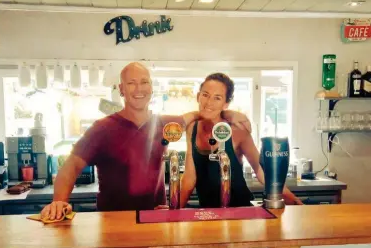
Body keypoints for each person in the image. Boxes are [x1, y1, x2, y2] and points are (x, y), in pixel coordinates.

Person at [41, 62, 252, 220]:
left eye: (144, 82)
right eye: (131, 83)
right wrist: (59, 202)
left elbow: (201, 113)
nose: (138, 89)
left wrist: (230, 114)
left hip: (155, 218)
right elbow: (71, 166)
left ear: (151, 88)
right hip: (113, 220)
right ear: (121, 89)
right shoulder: (102, 128)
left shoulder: (165, 125)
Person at [180, 73, 302, 208]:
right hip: (209, 213)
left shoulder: (238, 130)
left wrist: (293, 200)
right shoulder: (192, 128)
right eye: (205, 95)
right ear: (198, 96)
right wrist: (173, 209)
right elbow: (189, 177)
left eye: (217, 98)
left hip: (241, 212)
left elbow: (261, 171)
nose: (209, 102)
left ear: (226, 103)